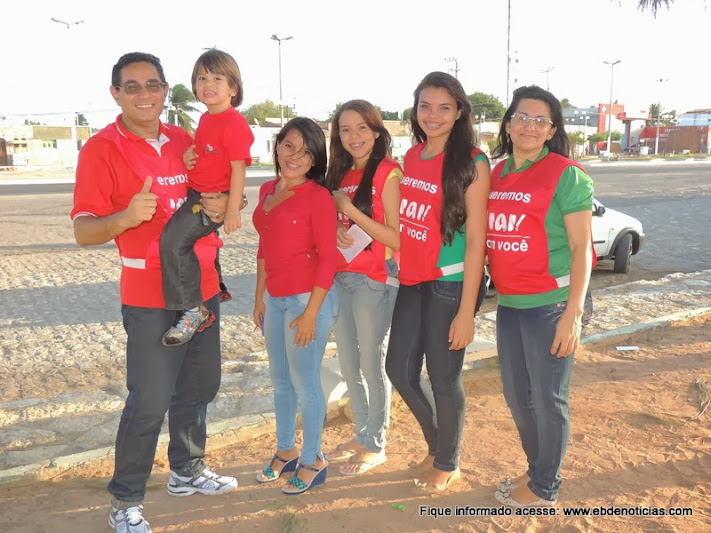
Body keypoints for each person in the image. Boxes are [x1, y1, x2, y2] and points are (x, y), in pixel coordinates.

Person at [71, 52, 238, 533]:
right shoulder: (101, 149)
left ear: (166, 91)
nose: (144, 94)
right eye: (132, 86)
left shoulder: (184, 139)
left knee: (199, 389)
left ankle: (186, 470)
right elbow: (83, 231)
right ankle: (125, 500)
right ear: (116, 94)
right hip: (150, 297)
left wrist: (227, 201)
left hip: (203, 290)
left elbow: (218, 183)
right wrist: (126, 217)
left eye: (152, 85)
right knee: (149, 401)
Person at [488, 85, 594, 507]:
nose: (529, 126)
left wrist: (573, 314)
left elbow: (582, 249)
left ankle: (545, 486)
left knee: (548, 400)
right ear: (508, 124)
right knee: (518, 398)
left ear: (552, 130)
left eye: (540, 120)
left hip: (551, 305)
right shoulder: (496, 174)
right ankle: (537, 470)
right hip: (510, 305)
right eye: (521, 117)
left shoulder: (566, 174)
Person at [385, 72, 490, 492]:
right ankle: (438, 445)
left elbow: (477, 240)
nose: (433, 115)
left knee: (444, 378)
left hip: (451, 284)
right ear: (415, 110)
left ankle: (447, 461)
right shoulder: (412, 157)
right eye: (425, 106)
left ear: (459, 111)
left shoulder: (473, 162)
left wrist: (467, 311)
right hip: (413, 279)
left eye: (444, 107)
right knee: (399, 369)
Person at [252, 117, 339, 494]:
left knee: (306, 384)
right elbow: (264, 246)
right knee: (280, 380)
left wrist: (311, 314)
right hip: (275, 298)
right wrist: (259, 296)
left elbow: (329, 259)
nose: (294, 156)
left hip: (308, 299)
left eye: (305, 152)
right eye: (289, 146)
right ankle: (286, 450)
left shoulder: (318, 197)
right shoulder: (267, 189)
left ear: (315, 159)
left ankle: (313, 459)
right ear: (277, 146)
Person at [323, 100, 402, 475]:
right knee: (349, 363)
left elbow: (395, 238)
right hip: (342, 278)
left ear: (376, 131)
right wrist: (335, 226)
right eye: (345, 129)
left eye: (361, 128)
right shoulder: (339, 173)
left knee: (372, 362)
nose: (353, 136)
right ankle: (362, 433)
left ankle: (376, 442)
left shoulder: (388, 172)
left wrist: (350, 211)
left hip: (375, 279)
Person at [160, 49, 254, 346]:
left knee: (174, 242)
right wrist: (191, 156)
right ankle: (216, 287)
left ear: (233, 88)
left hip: (212, 200)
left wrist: (233, 209)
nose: (208, 84)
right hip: (197, 193)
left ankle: (192, 309)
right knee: (184, 240)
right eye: (201, 78)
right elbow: (208, 154)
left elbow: (238, 169)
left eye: (217, 78)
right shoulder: (206, 119)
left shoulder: (234, 122)